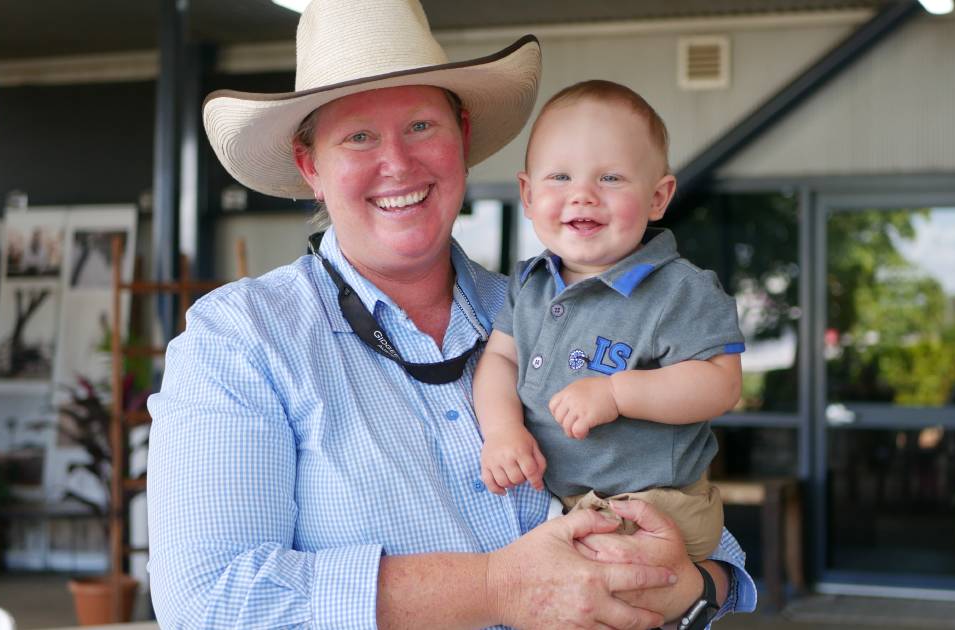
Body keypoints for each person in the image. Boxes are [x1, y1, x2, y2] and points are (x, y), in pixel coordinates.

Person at [147, 0, 757, 627]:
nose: (398, 164)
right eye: (358, 136)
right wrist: (497, 586)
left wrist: (694, 585)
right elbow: (209, 599)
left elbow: (711, 558)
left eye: (420, 126)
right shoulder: (241, 338)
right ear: (311, 167)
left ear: (462, 138)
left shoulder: (540, 306)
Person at [474, 80, 745, 563]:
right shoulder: (530, 283)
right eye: (559, 177)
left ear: (658, 197)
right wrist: (502, 431)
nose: (582, 196)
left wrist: (618, 393)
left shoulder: (678, 289)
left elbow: (720, 385)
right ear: (528, 193)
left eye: (611, 179)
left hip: (654, 504)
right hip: (567, 503)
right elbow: (498, 358)